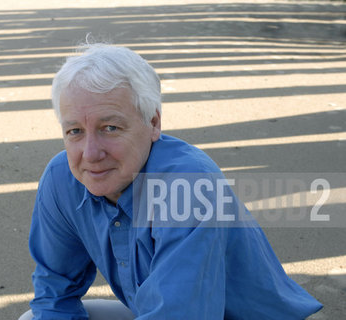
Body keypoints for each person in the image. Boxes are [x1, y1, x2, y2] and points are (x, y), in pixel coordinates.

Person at [19, 43, 322, 319]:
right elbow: (54, 294)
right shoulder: (63, 177)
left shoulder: (188, 185)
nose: (91, 153)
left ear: (153, 123)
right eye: (75, 131)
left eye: (110, 127)